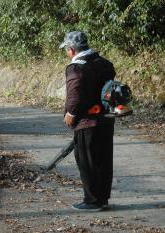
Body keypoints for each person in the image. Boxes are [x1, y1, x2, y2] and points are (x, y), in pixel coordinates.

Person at [60, 31, 116, 211]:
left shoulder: (76, 68)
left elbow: (74, 97)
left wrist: (70, 114)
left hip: (87, 122)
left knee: (87, 162)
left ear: (71, 49)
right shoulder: (105, 63)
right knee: (104, 159)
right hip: (106, 119)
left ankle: (92, 201)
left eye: (66, 50)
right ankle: (102, 198)